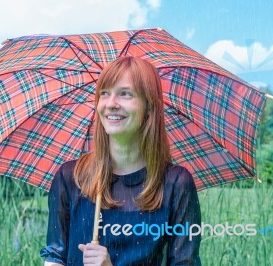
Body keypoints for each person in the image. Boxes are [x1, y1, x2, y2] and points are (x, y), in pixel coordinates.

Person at [40, 56, 201, 265]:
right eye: (104, 93)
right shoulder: (70, 178)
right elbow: (55, 257)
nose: (110, 104)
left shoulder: (175, 184)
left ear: (149, 107)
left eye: (125, 94)